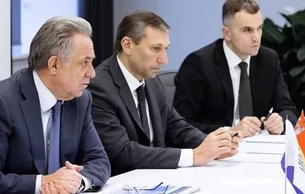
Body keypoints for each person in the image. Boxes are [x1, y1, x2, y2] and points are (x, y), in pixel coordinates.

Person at [0, 17, 111, 194]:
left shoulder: (79, 100)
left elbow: (99, 160)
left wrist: (76, 182)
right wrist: (43, 183)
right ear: (54, 65)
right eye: (84, 63)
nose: (92, 73)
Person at [88, 11, 238, 176]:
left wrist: (215, 145)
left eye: (165, 49)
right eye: (156, 49)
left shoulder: (150, 79)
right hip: (123, 181)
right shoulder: (99, 88)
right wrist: (194, 156)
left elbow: (177, 127)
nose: (164, 60)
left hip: (157, 177)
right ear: (127, 45)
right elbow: (121, 152)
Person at [173, 0, 298, 137]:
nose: (256, 37)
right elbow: (181, 124)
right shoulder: (198, 64)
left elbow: (288, 109)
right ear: (227, 33)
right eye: (247, 30)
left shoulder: (268, 59)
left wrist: (281, 121)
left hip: (258, 145)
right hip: (215, 147)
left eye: (259, 28)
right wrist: (230, 131)